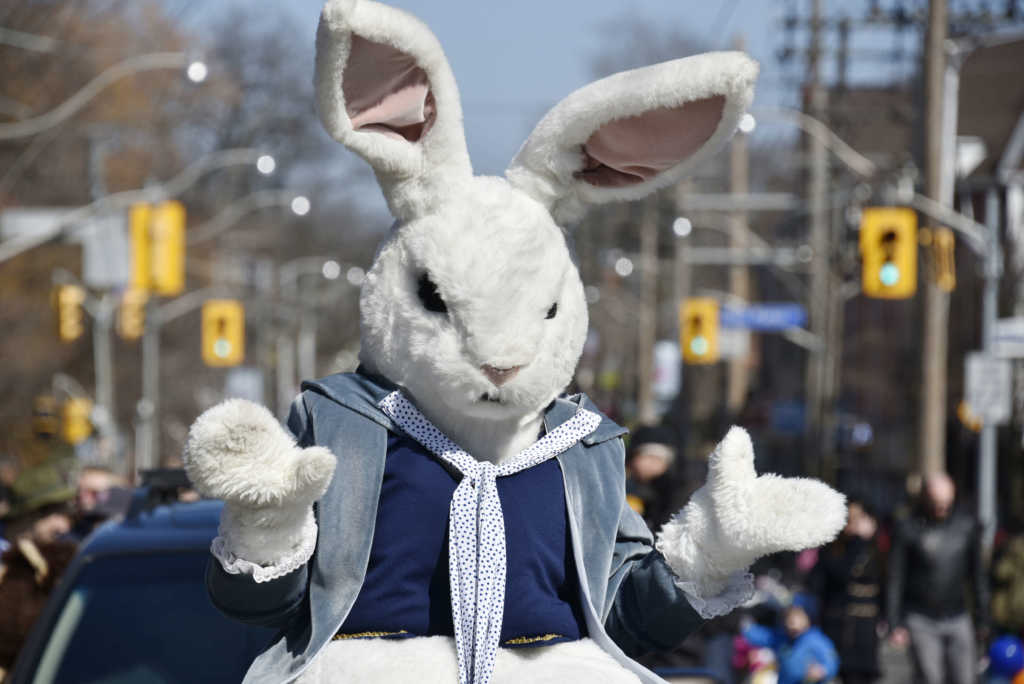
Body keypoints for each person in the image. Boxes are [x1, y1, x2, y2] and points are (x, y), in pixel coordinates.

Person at [887, 471, 988, 684]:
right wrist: (894, 621)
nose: (941, 509)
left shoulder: (966, 526)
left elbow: (977, 576)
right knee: (930, 676)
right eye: (936, 503)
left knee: (965, 677)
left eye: (946, 503)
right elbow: (895, 577)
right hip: (921, 615)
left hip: (957, 614)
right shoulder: (908, 527)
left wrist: (982, 618)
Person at [811, 498, 883, 684]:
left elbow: (888, 584)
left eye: (859, 519)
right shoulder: (832, 549)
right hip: (838, 626)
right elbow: (840, 574)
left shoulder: (878, 548)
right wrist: (858, 541)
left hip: (866, 630)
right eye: (849, 519)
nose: (854, 525)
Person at [741, 594, 839, 684]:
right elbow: (762, 636)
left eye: (798, 617)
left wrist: (823, 670)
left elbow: (831, 660)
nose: (792, 623)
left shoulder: (816, 640)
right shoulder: (781, 638)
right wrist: (744, 627)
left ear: (807, 618)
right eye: (789, 618)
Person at [624, 424, 677, 527]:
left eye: (659, 459)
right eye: (648, 456)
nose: (652, 464)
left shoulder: (672, 495)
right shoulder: (621, 488)